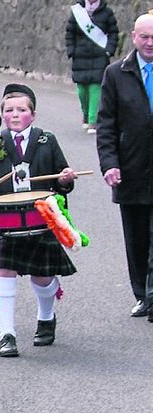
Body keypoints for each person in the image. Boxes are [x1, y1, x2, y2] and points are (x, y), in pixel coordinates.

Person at [0, 84, 78, 356]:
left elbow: (61, 179)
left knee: (43, 277)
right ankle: (7, 334)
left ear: (33, 114)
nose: (15, 114)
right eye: (9, 110)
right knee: (3, 271)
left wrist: (64, 179)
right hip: (6, 222)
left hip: (41, 217)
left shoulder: (46, 140)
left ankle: (46, 317)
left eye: (21, 110)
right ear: (3, 115)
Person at [96, 13, 153, 319]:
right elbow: (106, 123)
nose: (150, 43)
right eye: (145, 37)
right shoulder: (116, 73)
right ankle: (142, 294)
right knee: (137, 236)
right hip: (130, 167)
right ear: (133, 37)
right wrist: (109, 163)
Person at [65, 0, 117, 135]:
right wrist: (71, 50)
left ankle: (93, 120)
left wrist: (109, 50)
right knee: (81, 91)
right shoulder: (77, 12)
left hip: (99, 57)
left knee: (95, 88)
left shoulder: (107, 12)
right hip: (80, 57)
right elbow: (70, 33)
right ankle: (86, 114)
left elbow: (113, 33)